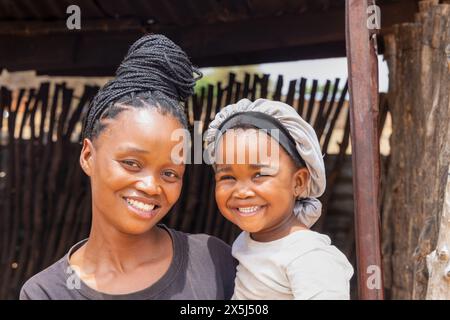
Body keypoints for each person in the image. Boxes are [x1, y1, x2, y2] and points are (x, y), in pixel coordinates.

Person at [20, 34, 236, 300]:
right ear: (88, 156)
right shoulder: (47, 293)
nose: (150, 186)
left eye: (169, 173)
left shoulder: (213, 262)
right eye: (132, 163)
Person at [204, 98, 354, 299]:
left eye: (260, 175)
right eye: (227, 177)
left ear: (298, 182)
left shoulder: (308, 256)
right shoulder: (246, 242)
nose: (241, 191)